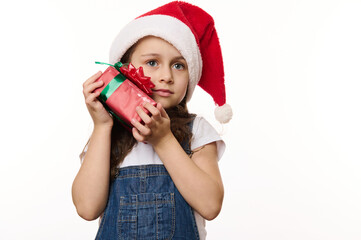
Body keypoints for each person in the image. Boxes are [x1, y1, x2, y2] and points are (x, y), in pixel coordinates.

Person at [72, 1, 232, 239]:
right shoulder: (108, 134)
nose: (166, 76)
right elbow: (86, 208)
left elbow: (210, 206)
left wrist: (164, 139)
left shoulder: (197, 131)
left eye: (178, 65)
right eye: (152, 62)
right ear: (124, 69)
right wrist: (102, 126)